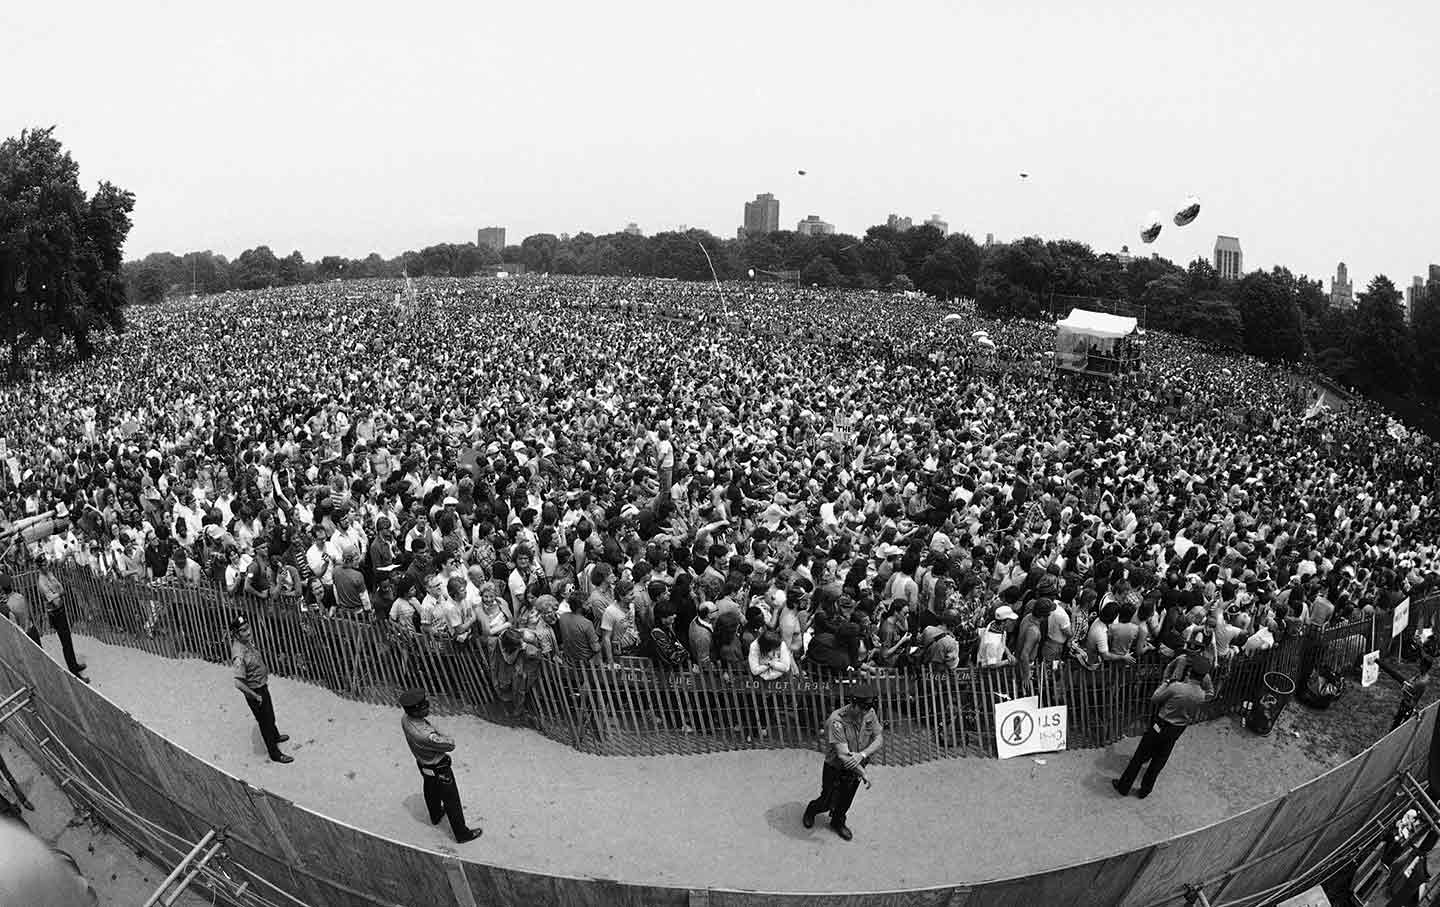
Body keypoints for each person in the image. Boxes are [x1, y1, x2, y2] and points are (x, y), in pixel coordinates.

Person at [1113, 655, 1213, 798]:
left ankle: (1124, 787)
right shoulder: (1201, 695)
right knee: (1159, 761)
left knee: (1139, 756)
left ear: (1190, 671)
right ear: (1204, 677)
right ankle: (1145, 791)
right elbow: (1211, 693)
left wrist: (1166, 682)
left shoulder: (1176, 688)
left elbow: (1155, 698)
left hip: (1160, 724)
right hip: (1177, 730)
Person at [803, 681, 883, 841]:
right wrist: (862, 772)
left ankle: (838, 822)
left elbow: (879, 738)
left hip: (858, 762)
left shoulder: (869, 712)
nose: (863, 715)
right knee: (826, 801)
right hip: (835, 766)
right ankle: (811, 810)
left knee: (846, 799)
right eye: (860, 710)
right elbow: (843, 756)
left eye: (866, 710)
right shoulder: (836, 721)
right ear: (852, 703)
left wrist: (863, 755)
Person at [399, 688, 480, 843]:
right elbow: (450, 745)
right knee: (452, 799)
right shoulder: (426, 735)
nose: (428, 708)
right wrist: (440, 733)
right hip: (439, 767)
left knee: (430, 788)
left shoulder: (405, 719)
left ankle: (435, 815)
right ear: (415, 711)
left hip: (423, 763)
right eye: (424, 707)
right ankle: (462, 833)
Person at [229, 616, 292, 763]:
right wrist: (255, 696)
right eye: (243, 630)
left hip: (262, 686)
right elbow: (238, 683)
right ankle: (275, 754)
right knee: (265, 722)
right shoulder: (239, 653)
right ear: (236, 634)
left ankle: (276, 736)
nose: (248, 631)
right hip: (256, 692)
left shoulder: (246, 642)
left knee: (270, 716)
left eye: (248, 627)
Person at [34, 554, 88, 682]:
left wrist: (58, 593)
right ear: (39, 567)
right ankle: (74, 673)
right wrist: (59, 593)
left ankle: (74, 665)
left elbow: (61, 588)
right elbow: (56, 601)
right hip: (55, 613)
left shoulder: (49, 574)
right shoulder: (42, 582)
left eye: (46, 563)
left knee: (68, 639)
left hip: (61, 611)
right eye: (43, 565)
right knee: (65, 642)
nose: (46, 565)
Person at [1390, 656, 1433, 730]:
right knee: (1398, 721)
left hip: (1408, 705)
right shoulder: (1424, 676)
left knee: (1398, 726)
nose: (1419, 664)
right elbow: (1412, 682)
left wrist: (1405, 689)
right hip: (1408, 703)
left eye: (1422, 664)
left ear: (1425, 666)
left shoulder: (1421, 682)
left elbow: (1409, 691)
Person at [1, 573, 40, 647]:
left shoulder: (8, 605)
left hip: (25, 636)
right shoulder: (20, 596)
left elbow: (15, 626)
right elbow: (30, 613)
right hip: (33, 630)